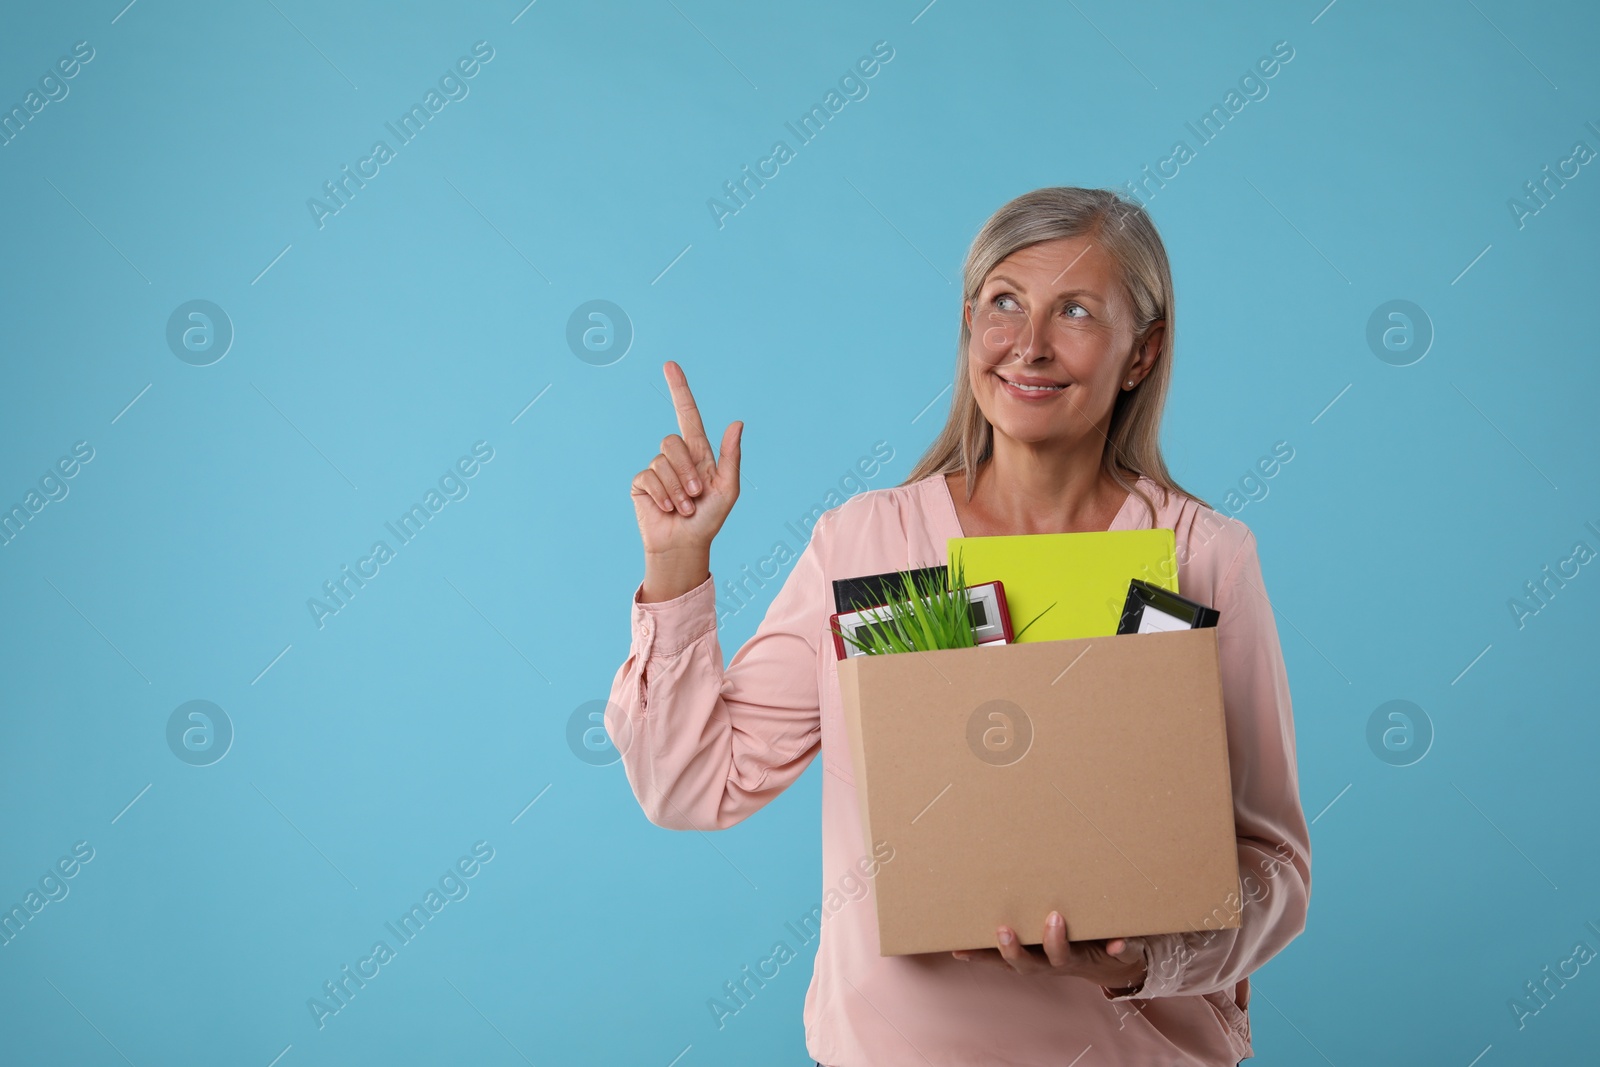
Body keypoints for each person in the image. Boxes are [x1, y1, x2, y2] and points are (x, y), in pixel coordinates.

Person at [608, 186, 1311, 1066]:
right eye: (1004, 303)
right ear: (970, 325)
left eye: (1078, 311)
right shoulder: (862, 543)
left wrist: (1146, 957)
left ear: (1142, 353)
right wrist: (676, 562)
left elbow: (1275, 866)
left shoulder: (1207, 556)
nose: (1030, 344)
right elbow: (691, 786)